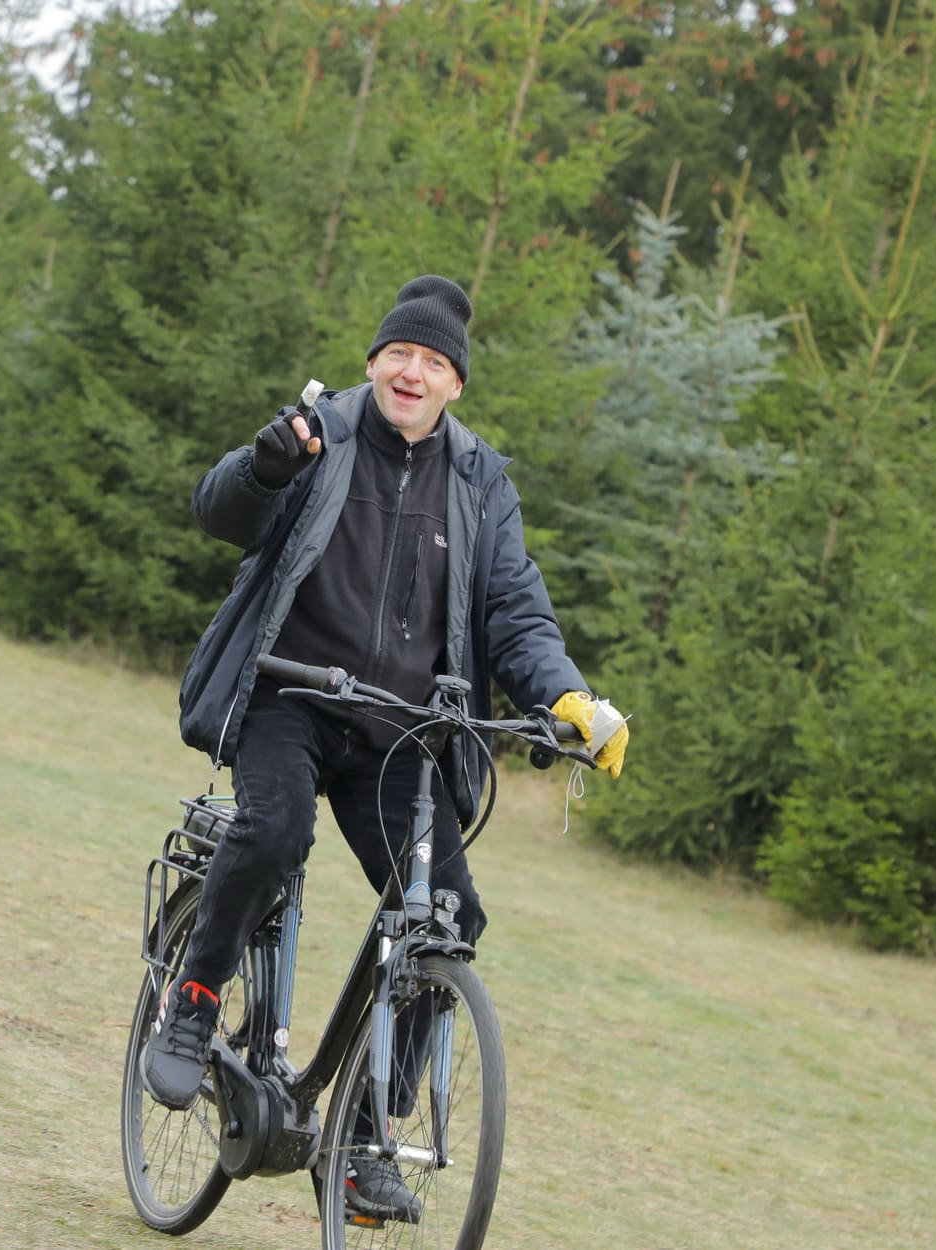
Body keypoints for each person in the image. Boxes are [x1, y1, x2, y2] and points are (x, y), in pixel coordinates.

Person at [142, 275, 630, 1222]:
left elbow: (514, 610)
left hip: (400, 732)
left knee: (445, 912)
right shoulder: (316, 437)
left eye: (436, 362)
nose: (415, 371)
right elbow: (220, 514)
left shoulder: (480, 481)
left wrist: (565, 696)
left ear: (455, 386)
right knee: (274, 830)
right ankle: (196, 1001)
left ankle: (366, 1135)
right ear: (374, 363)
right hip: (289, 694)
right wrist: (265, 465)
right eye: (401, 353)